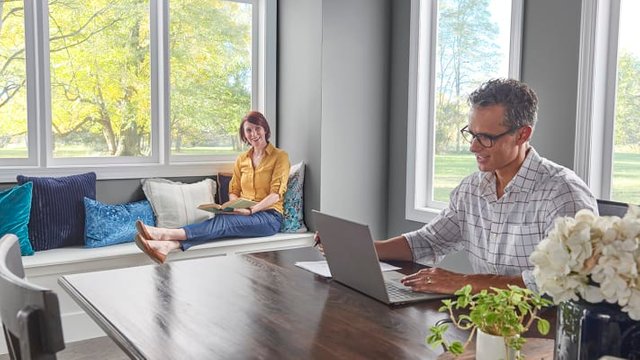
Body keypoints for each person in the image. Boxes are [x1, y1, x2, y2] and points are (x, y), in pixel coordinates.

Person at [322, 78, 597, 294]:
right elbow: (429, 240)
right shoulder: (471, 189)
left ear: (522, 134)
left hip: (543, 333)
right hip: (483, 319)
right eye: (472, 134)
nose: (473, 147)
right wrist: (357, 247)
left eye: (486, 137)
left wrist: (464, 282)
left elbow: (557, 284)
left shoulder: (562, 195)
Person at [135, 111, 290, 264]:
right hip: (244, 212)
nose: (254, 134)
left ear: (265, 129)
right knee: (220, 220)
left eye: (257, 128)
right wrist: (233, 206)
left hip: (269, 217)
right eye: (249, 130)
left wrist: (250, 210)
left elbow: (276, 194)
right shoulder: (242, 159)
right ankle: (168, 246)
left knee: (224, 224)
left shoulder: (279, 156)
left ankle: (165, 234)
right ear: (244, 134)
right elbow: (234, 190)